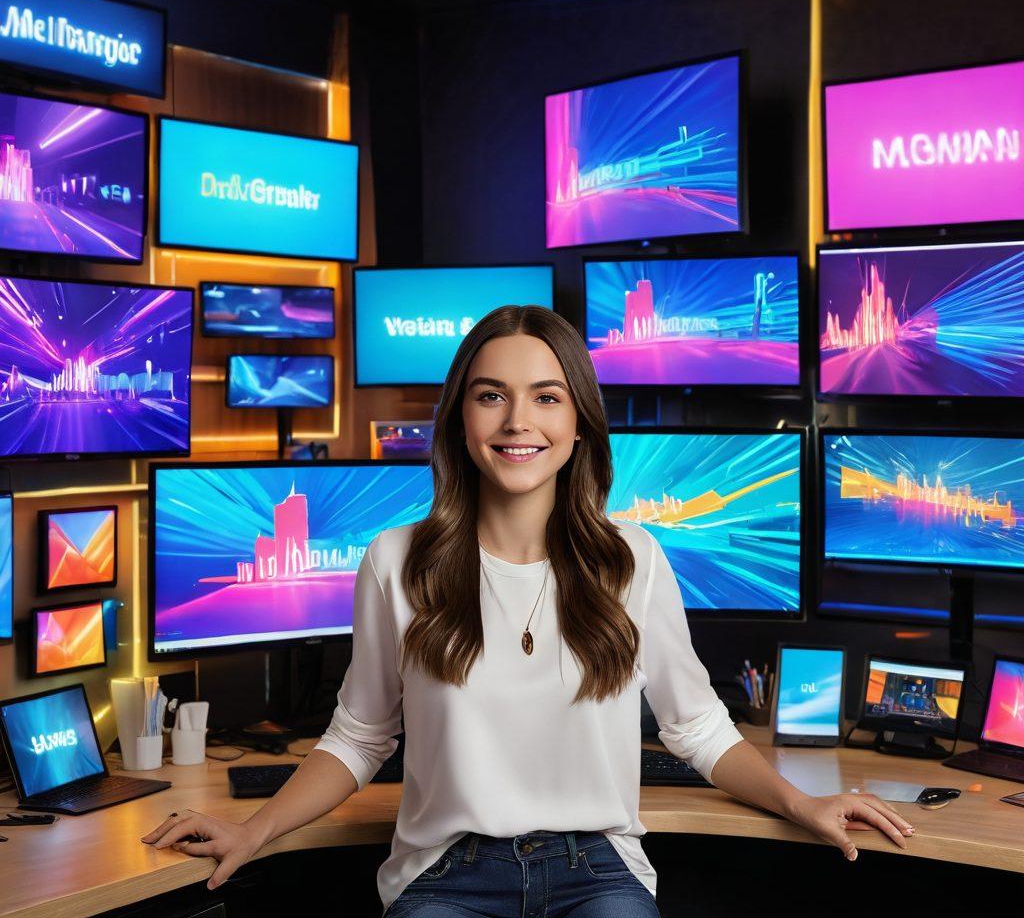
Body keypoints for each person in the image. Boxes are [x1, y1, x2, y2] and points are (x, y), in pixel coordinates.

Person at [143, 305, 914, 917]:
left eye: (546, 397)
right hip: (444, 875)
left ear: (578, 423)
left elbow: (700, 729)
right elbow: (357, 738)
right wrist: (255, 828)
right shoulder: (394, 561)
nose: (519, 422)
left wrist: (803, 804)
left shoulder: (633, 558)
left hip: (598, 872)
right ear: (461, 420)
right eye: (491, 397)